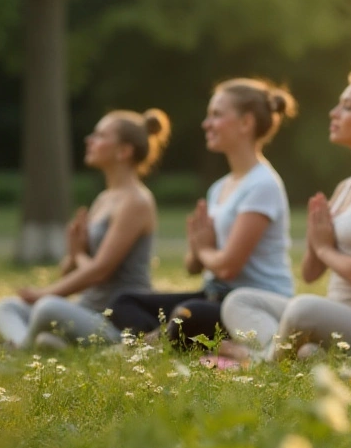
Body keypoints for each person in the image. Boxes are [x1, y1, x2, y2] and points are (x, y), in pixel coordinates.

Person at [219, 68, 351, 362]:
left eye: (348, 107)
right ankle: (291, 353)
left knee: (304, 310)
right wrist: (317, 243)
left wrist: (323, 247)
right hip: (336, 316)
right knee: (239, 301)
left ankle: (261, 359)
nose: (334, 113)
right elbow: (310, 273)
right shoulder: (347, 187)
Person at [107, 78, 297, 349]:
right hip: (213, 295)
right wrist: (197, 249)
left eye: (216, 115)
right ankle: (160, 340)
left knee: (188, 314)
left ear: (246, 123)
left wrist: (204, 249)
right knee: (124, 302)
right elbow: (192, 266)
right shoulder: (219, 188)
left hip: (250, 303)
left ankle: (152, 344)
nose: (206, 124)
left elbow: (229, 266)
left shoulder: (263, 184)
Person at [0, 109, 170, 349]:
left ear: (124, 151)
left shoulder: (137, 201)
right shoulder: (104, 199)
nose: (89, 140)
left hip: (115, 319)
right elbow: (76, 270)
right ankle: (43, 343)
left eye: (100, 135)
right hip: (86, 308)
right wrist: (73, 255)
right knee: (7, 306)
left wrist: (44, 293)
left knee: (47, 307)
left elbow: (100, 271)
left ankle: (23, 349)